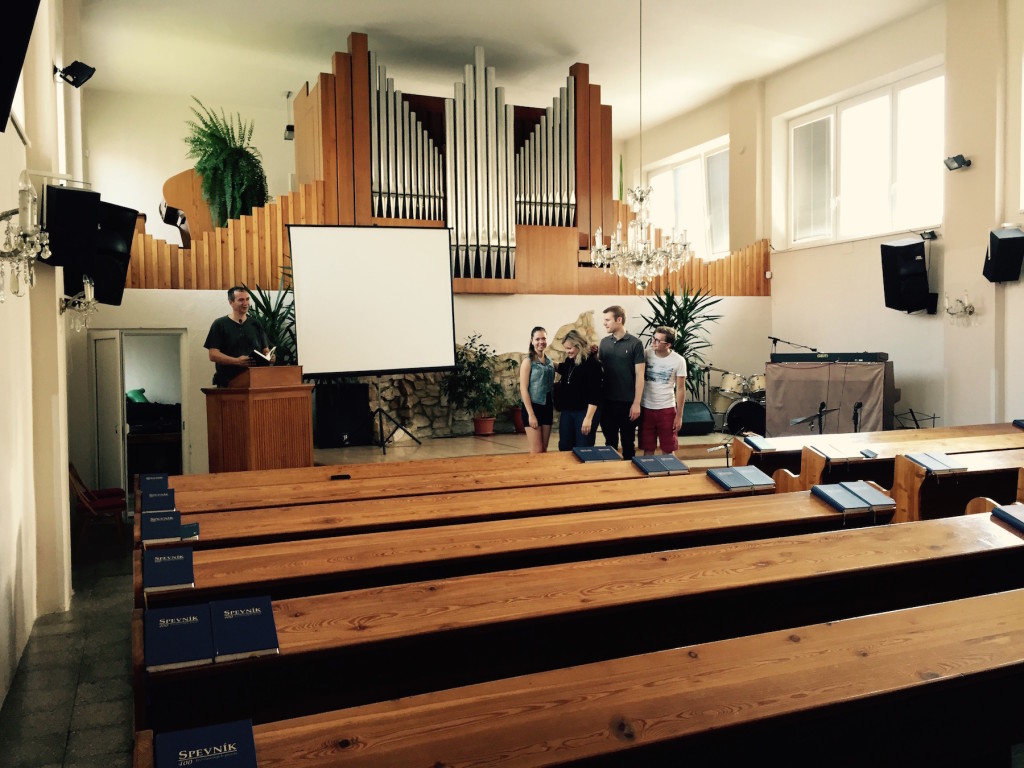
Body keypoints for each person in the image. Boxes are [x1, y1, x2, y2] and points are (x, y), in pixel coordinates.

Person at [598, 305, 645, 460]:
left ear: (619, 320)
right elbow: (600, 371)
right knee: (609, 443)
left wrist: (636, 403)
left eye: (607, 320)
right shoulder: (604, 343)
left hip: (627, 403)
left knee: (628, 444)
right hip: (607, 402)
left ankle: (629, 480)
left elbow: (640, 375)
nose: (604, 323)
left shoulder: (635, 344)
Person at [203, 286, 273, 387]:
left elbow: (265, 349)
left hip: (256, 381)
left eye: (247, 299)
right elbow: (213, 354)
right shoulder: (219, 324)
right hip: (229, 382)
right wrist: (236, 361)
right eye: (241, 300)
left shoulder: (256, 324)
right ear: (231, 302)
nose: (246, 303)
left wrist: (269, 356)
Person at [639, 326, 687, 455]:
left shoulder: (679, 360)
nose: (653, 342)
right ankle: (648, 475)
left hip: (667, 408)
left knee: (668, 449)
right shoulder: (645, 354)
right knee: (648, 448)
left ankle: (670, 474)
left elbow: (681, 389)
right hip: (646, 407)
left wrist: (679, 416)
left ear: (668, 345)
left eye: (658, 341)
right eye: (653, 339)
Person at [555, 330, 603, 451]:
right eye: (565, 348)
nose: (567, 351)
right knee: (564, 446)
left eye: (569, 348)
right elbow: (562, 368)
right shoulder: (570, 360)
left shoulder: (593, 364)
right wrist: (544, 360)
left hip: (584, 412)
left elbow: (595, 394)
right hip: (568, 412)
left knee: (583, 448)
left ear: (579, 345)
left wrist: (588, 418)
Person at [519, 326, 555, 453]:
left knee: (544, 449)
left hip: (547, 406)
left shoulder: (550, 361)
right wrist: (531, 414)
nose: (541, 342)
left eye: (544, 338)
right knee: (536, 449)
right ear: (532, 341)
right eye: (537, 339)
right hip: (533, 407)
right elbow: (523, 389)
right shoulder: (528, 362)